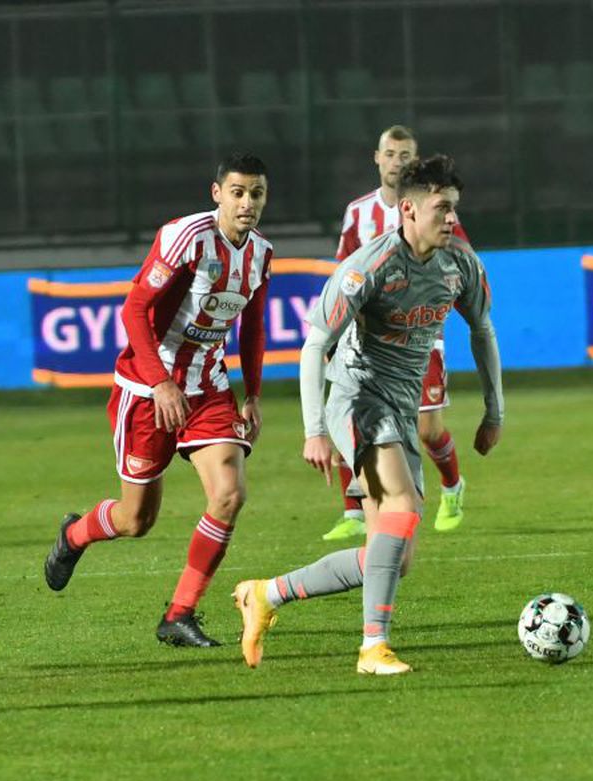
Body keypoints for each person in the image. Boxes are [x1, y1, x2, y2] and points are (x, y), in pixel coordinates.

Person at [233, 155, 503, 674]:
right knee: (401, 504)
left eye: (454, 209)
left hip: (401, 407)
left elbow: (483, 331)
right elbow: (314, 346)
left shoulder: (460, 264)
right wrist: (315, 431)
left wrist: (494, 410)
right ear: (408, 209)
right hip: (357, 397)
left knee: (394, 556)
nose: (451, 219)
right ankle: (372, 648)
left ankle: (265, 594)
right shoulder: (369, 266)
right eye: (441, 209)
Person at [44, 153, 272, 647]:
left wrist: (252, 393)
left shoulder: (261, 253)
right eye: (237, 192)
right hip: (147, 392)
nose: (247, 203)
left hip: (209, 387)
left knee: (230, 494)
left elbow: (252, 325)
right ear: (217, 194)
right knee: (136, 520)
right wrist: (161, 383)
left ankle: (178, 614)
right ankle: (75, 534)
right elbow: (134, 311)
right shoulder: (186, 238)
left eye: (256, 194)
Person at [324, 125, 470, 540]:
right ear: (377, 157)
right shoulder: (358, 212)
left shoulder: (434, 208)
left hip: (422, 337)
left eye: (406, 155)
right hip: (367, 338)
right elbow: (343, 270)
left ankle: (452, 486)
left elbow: (461, 261)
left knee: (428, 430)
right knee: (350, 413)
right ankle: (353, 512)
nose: (397, 161)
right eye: (391, 153)